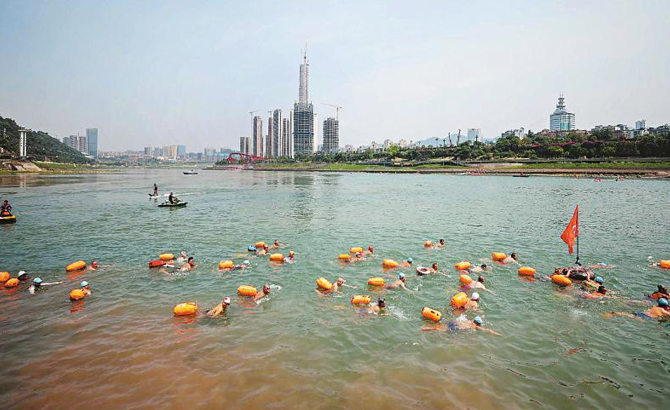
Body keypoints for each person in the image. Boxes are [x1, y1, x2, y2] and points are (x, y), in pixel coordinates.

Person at [423, 316, 500, 335]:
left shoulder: (470, 321)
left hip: (454, 322)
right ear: (478, 324)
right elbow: (487, 330)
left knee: (441, 326)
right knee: (438, 329)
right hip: (455, 327)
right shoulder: (475, 326)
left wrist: (482, 317)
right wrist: (495, 333)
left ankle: (428, 324)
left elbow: (476, 318)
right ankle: (426, 329)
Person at [605, 298, 670, 320]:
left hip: (642, 313)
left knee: (629, 315)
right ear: (665, 306)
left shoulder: (655, 307)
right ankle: (615, 313)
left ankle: (615, 313)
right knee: (630, 316)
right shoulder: (663, 311)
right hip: (646, 317)